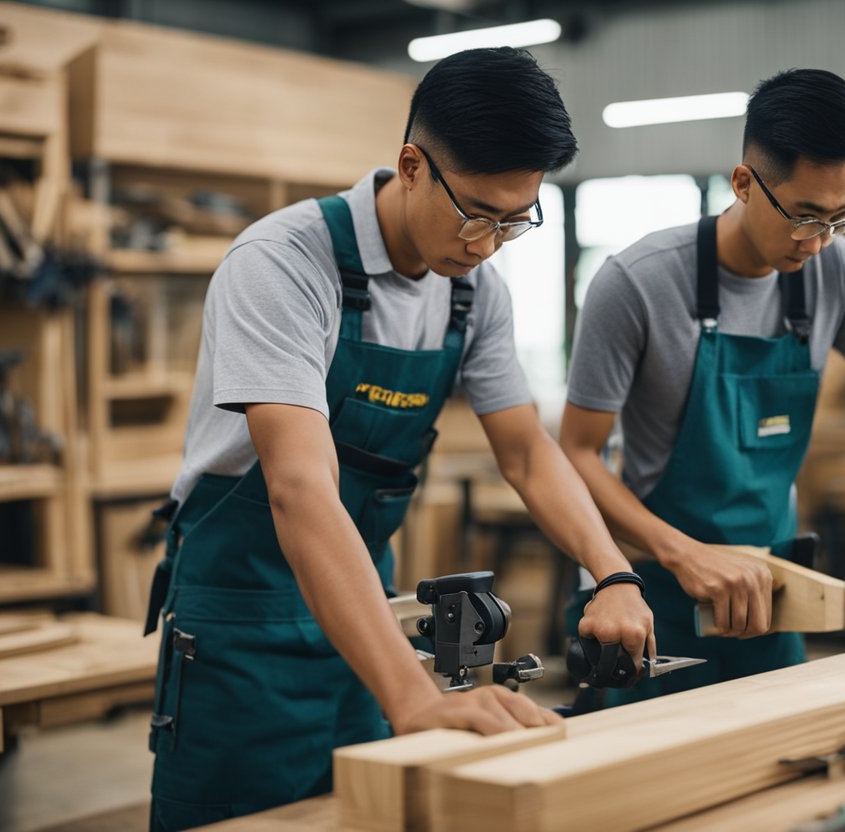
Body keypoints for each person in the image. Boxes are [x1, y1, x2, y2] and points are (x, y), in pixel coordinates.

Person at [144, 47, 654, 830]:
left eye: (515, 221)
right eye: (477, 213)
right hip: (242, 625)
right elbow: (300, 487)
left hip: (365, 615)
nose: (488, 244)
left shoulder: (475, 292)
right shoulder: (282, 264)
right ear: (411, 165)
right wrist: (413, 697)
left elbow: (525, 453)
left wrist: (613, 574)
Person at [559, 68, 845, 707]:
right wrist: (684, 553)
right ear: (744, 183)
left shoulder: (837, 274)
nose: (821, 240)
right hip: (652, 596)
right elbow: (576, 454)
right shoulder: (637, 284)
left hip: (772, 595)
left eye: (841, 216)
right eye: (804, 216)